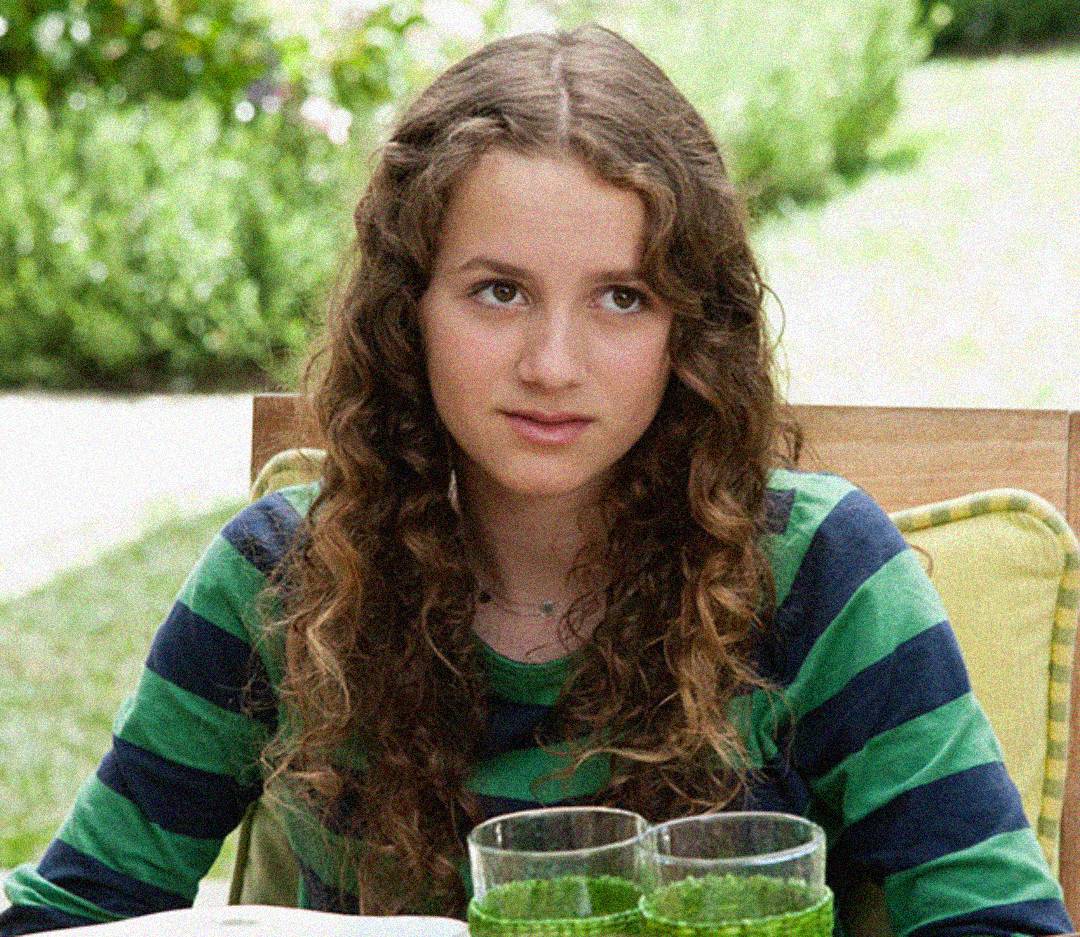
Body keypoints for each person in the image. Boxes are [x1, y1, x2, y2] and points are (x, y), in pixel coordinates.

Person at [0, 23, 1072, 937]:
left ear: (687, 329)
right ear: (407, 308)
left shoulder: (825, 573)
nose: (553, 365)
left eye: (621, 298)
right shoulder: (280, 577)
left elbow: (1002, 923)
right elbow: (77, 909)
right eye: (499, 290)